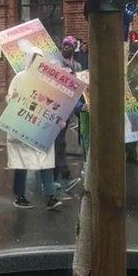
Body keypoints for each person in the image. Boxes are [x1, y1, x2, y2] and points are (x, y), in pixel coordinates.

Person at [7, 52, 64, 211]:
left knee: (46, 162)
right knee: (22, 162)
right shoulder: (20, 77)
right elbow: (11, 97)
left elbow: (55, 104)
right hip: (23, 126)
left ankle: (50, 196)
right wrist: (15, 97)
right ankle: (19, 196)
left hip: (41, 127)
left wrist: (59, 118)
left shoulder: (47, 82)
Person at [53, 36, 82, 191]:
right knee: (58, 142)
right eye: (63, 45)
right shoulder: (56, 63)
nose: (65, 48)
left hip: (69, 108)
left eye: (69, 45)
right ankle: (62, 174)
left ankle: (56, 175)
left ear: (74, 48)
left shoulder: (77, 66)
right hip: (56, 108)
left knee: (60, 142)